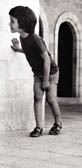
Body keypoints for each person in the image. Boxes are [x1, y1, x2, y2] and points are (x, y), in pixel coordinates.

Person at [9, 6, 62, 137]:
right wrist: (18, 49)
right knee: (37, 97)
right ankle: (39, 127)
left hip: (51, 73)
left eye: (12, 21)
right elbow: (30, 52)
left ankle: (58, 123)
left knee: (50, 99)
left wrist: (45, 80)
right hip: (38, 73)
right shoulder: (23, 37)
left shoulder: (36, 39)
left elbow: (47, 60)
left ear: (22, 23)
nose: (9, 24)